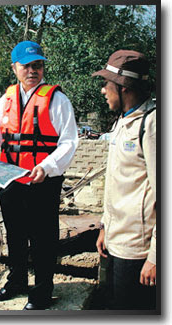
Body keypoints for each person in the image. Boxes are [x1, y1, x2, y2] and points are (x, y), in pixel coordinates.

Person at [0, 41, 78, 310]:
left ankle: (41, 292)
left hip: (44, 181)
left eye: (38, 65)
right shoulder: (5, 99)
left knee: (43, 238)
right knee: (15, 235)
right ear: (14, 68)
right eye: (27, 66)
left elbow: (69, 142)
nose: (33, 70)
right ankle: (16, 282)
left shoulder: (57, 100)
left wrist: (48, 166)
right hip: (11, 179)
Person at [92, 50, 156, 310]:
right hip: (115, 242)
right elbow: (118, 182)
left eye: (107, 84)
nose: (103, 91)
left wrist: (156, 256)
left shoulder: (151, 126)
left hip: (138, 252)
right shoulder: (122, 122)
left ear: (124, 88)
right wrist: (105, 225)